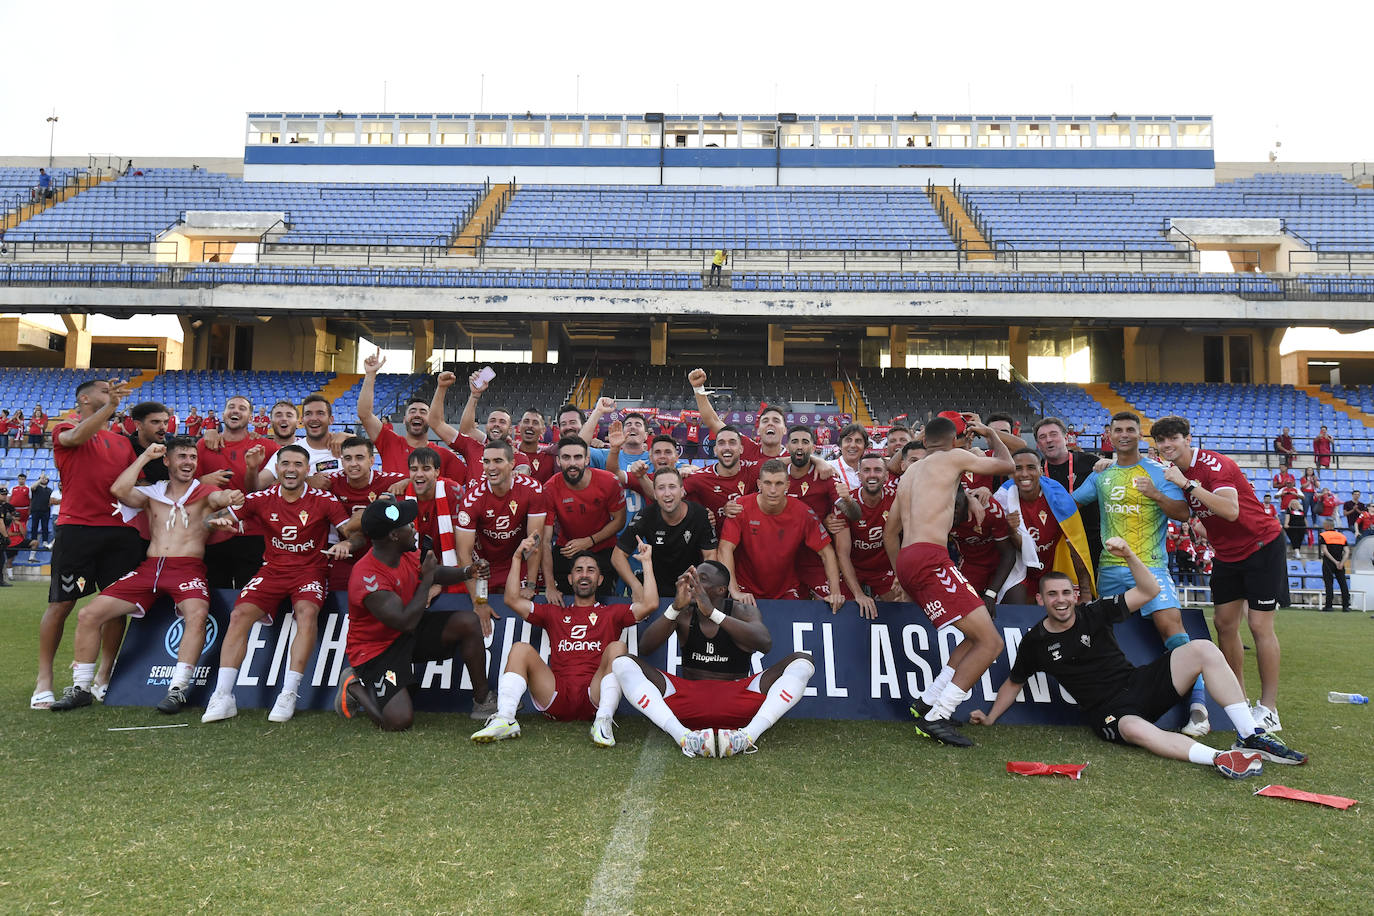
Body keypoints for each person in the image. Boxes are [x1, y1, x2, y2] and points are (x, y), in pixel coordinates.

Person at [970, 540, 1308, 775]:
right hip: (1110, 712)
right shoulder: (1036, 641)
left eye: (1065, 593)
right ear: (1041, 600)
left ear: (1075, 595)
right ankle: (1221, 759)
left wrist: (1130, 554)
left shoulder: (1094, 612)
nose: (1060, 600)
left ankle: (1249, 733)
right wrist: (990, 717)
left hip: (1140, 684)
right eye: (1052, 595)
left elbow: (1149, 592)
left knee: (1203, 649)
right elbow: (1014, 683)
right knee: (1134, 728)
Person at [50, 439, 244, 713]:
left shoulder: (204, 492)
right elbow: (118, 489)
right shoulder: (153, 493)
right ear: (167, 461)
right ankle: (81, 688)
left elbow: (220, 499)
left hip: (187, 568)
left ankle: (178, 689)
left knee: (198, 614)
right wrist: (143, 458)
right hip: (149, 568)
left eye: (192, 457)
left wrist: (230, 498)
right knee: (88, 614)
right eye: (182, 457)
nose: (188, 462)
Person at [1071, 411, 1209, 736]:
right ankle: (1107, 706)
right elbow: (1070, 503)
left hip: (1150, 568)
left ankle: (1199, 709)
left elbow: (1184, 513)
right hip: (1109, 571)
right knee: (1103, 639)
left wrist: (1156, 494)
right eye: (1117, 430)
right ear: (1109, 434)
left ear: (1139, 435)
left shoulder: (1158, 472)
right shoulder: (1101, 476)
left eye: (1130, 429)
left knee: (1171, 629)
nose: (1124, 435)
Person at [201, 445, 358, 725]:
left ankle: (288, 693)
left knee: (307, 613)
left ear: (307, 470)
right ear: (278, 468)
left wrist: (347, 543)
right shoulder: (261, 498)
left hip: (310, 571)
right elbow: (211, 519)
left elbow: (352, 533)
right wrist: (219, 522)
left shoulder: (324, 500)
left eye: (298, 464)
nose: (291, 469)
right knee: (238, 615)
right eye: (285, 463)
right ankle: (223, 695)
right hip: (272, 570)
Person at [884, 414, 1013, 747]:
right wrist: (988, 434)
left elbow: (889, 531)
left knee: (973, 636)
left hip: (910, 559)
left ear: (923, 441)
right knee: (991, 643)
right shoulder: (953, 456)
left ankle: (928, 701)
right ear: (954, 441)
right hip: (931, 557)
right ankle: (938, 715)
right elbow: (1007, 465)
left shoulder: (909, 473)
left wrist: (900, 573)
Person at [1152, 415, 1287, 733]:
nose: (1167, 445)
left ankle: (1269, 709)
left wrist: (1186, 485)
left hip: (1261, 545)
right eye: (1161, 440)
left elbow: (1230, 510)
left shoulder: (1214, 465)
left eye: (1173, 438)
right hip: (1228, 554)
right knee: (1225, 625)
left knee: (1258, 625)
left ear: (1188, 438)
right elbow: (1190, 511)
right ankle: (1238, 702)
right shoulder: (1174, 472)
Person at [614, 561, 816, 758]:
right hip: (688, 701)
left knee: (802, 661)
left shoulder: (742, 611)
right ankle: (684, 737)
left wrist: (712, 613)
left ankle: (747, 737)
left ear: (721, 590)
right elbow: (646, 648)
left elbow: (765, 643)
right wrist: (675, 607)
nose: (693, 582)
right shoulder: (683, 614)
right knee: (622, 662)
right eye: (692, 576)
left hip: (737, 700)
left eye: (702, 579)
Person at [469, 535, 659, 745]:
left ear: (600, 580)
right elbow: (511, 599)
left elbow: (650, 604)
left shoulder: (612, 613)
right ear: (570, 579)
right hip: (556, 696)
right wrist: (516, 557)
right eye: (578, 570)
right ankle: (505, 718)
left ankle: (603, 721)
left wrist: (647, 563)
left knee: (618, 647)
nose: (584, 575)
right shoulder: (554, 612)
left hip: (594, 696)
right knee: (520, 649)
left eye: (591, 570)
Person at [335, 498, 495, 731]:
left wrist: (467, 571)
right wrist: (428, 579)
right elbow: (405, 622)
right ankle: (353, 686)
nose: (414, 528)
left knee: (468, 622)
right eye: (408, 525)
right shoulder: (368, 578)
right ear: (393, 536)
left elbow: (434, 571)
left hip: (407, 630)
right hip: (378, 650)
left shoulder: (404, 552)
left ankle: (483, 701)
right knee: (398, 721)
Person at [32, 379, 143, 711]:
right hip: (78, 532)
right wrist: (111, 407)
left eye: (112, 395)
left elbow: (130, 484)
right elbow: (77, 437)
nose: (111, 397)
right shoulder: (66, 428)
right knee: (62, 604)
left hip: (118, 534)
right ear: (85, 398)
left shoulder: (122, 443)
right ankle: (44, 680)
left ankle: (104, 677)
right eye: (104, 392)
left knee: (114, 606)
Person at [717, 459, 844, 608]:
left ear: (787, 485)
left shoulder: (802, 512)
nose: (772, 490)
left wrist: (835, 592)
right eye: (767, 483)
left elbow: (827, 552)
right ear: (759, 484)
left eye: (778, 484)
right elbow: (725, 549)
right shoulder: (740, 508)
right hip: (746, 589)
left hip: (787, 590)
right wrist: (734, 591)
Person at [197, 396, 279, 588]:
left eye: (242, 408)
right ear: (223, 414)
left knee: (250, 595)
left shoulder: (265, 447)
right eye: (231, 407)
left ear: (250, 418)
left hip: (253, 534)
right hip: (213, 532)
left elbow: (295, 456)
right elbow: (184, 486)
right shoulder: (204, 445)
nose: (235, 411)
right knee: (215, 594)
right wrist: (203, 481)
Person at [456, 439, 547, 607]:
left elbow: (534, 541)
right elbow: (463, 554)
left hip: (517, 563)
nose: (491, 467)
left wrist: (531, 585)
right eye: (486, 461)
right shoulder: (471, 500)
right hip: (483, 566)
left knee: (519, 612)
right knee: (481, 614)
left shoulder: (532, 489)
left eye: (498, 461)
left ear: (512, 463)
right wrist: (477, 602)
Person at [996, 449, 1096, 602]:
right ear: (1011, 472)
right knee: (1020, 610)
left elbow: (1075, 545)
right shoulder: (1003, 499)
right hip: (1022, 571)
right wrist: (1011, 530)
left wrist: (1085, 591)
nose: (1024, 474)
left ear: (1040, 471)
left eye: (1030, 467)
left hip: (1054, 569)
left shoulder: (1058, 499)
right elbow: (1016, 548)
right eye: (1017, 468)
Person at [540, 435, 626, 602]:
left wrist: (589, 541)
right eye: (566, 457)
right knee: (564, 603)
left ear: (587, 459)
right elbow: (545, 541)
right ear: (558, 461)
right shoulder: (550, 488)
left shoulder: (609, 481)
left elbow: (619, 521)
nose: (572, 463)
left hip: (603, 548)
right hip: (568, 548)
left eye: (578, 457)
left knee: (603, 604)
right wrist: (550, 586)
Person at [613, 466, 717, 596]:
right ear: (655, 494)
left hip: (690, 587)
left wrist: (701, 587)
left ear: (682, 491)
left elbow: (710, 556)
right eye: (661, 488)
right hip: (655, 589)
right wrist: (636, 586)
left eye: (672, 487)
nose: (667, 493)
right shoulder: (646, 516)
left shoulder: (700, 514)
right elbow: (617, 556)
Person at [324, 436, 409, 591]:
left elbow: (421, 479)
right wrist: (310, 479)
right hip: (345, 555)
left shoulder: (387, 481)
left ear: (371, 460)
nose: (353, 464)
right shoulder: (332, 482)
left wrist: (407, 482)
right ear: (342, 462)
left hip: (381, 556)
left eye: (360, 457)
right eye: (348, 458)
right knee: (338, 598)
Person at [364, 359, 468, 481]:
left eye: (423, 412)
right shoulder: (389, 442)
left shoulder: (444, 456)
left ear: (431, 420)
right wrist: (370, 374)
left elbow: (470, 478)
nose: (417, 415)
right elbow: (365, 414)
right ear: (404, 419)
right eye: (412, 411)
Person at [834, 453, 905, 606]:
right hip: (853, 568)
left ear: (886, 476)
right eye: (866, 470)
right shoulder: (846, 503)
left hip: (883, 569)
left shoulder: (896, 499)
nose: (872, 475)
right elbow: (843, 554)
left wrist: (900, 575)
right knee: (844, 608)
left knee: (902, 604)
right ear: (859, 476)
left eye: (877, 470)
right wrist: (858, 594)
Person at [1035, 417, 1102, 566]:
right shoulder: (1034, 471)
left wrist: (1109, 464)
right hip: (1052, 545)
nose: (1049, 440)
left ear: (1066, 438)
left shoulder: (1091, 462)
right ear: (1038, 445)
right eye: (1042, 437)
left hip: (1091, 542)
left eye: (1054, 434)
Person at [949, 487, 1016, 612]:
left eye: (956, 506)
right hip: (970, 563)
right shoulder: (938, 515)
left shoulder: (990, 508)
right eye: (947, 507)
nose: (951, 512)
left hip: (999, 562)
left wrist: (990, 594)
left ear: (965, 501)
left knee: (1013, 599)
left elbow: (1008, 553)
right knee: (961, 605)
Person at [682, 424, 760, 530]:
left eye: (732, 443)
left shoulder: (753, 471)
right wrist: (695, 513)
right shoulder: (698, 477)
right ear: (715, 450)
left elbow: (781, 463)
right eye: (721, 443)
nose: (727, 447)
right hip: (714, 544)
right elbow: (667, 497)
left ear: (741, 449)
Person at [1317, 517, 1352, 612]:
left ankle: (1329, 605)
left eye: (1324, 524)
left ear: (1327, 526)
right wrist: (1341, 562)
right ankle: (1346, 606)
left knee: (1329, 583)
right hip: (1340, 561)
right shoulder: (1342, 536)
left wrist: (1334, 562)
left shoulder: (1323, 535)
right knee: (1343, 583)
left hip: (1329, 562)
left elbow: (1325, 550)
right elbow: (1347, 551)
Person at [27, 473, 53, 548]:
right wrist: (40, 479)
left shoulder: (50, 490)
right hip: (35, 510)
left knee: (45, 526)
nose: (44, 480)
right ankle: (33, 540)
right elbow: (32, 487)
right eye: (42, 479)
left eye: (45, 479)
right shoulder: (36, 488)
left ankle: (45, 541)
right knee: (34, 526)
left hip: (46, 511)